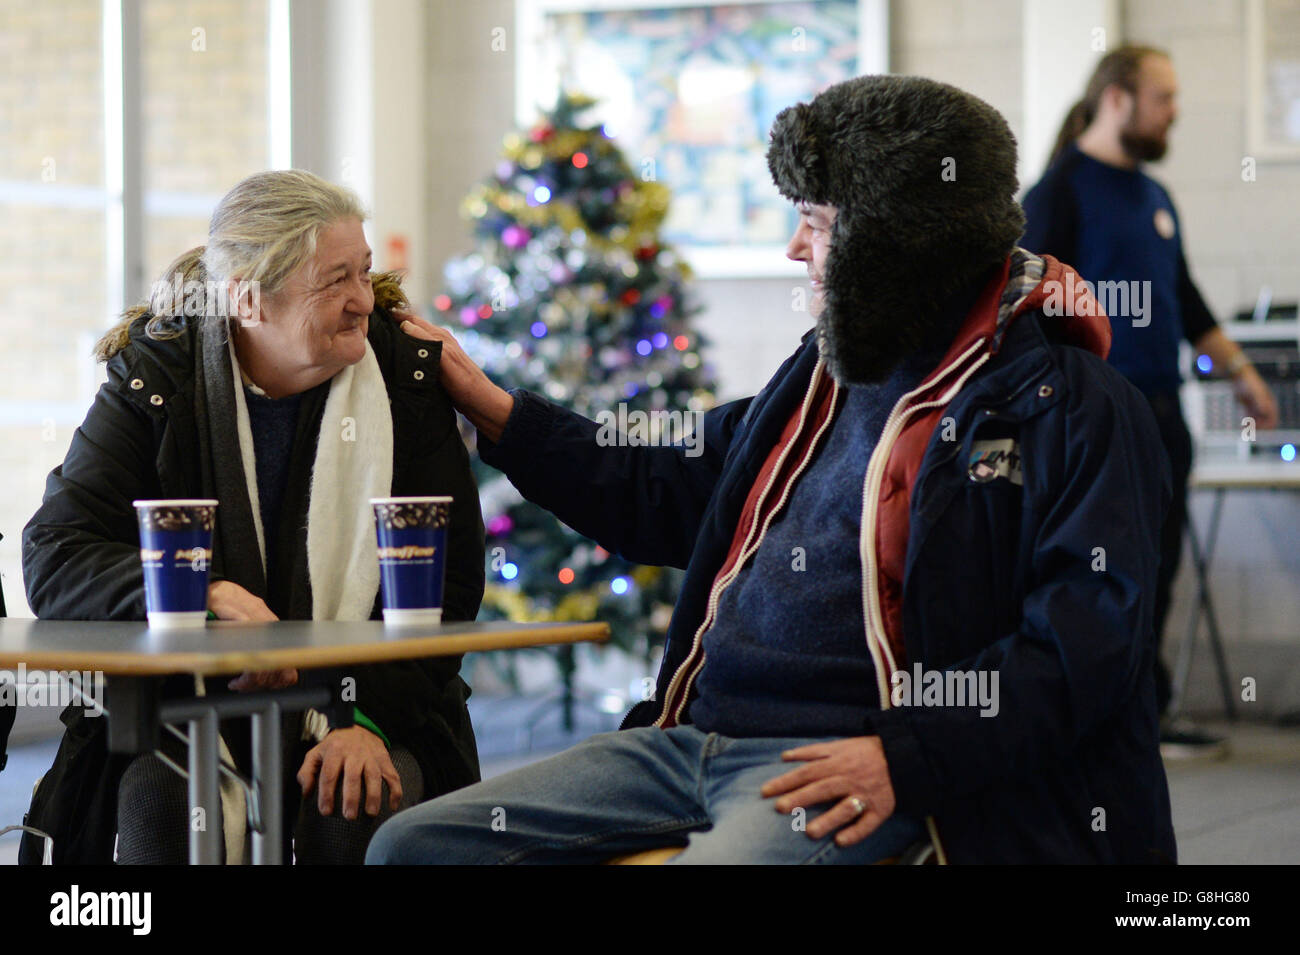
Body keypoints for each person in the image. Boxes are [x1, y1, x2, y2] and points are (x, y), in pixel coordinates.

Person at [367, 75, 1176, 865]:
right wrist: (498, 412)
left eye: (817, 223)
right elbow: (665, 483)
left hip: (848, 764)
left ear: (895, 241)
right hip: (688, 742)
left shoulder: (1068, 405)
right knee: (414, 843)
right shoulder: (819, 379)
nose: (795, 249)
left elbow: (1086, 644)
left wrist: (906, 756)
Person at [20, 169, 485, 864]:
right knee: (159, 807)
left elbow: (447, 586)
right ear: (246, 298)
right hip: (176, 710)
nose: (364, 299)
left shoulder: (402, 380)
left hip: (380, 704)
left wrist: (365, 718)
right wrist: (197, 595)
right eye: (335, 282)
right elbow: (56, 552)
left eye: (364, 272)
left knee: (349, 801)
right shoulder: (155, 377)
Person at [1021, 46, 1278, 758]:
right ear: (1117, 99)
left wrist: (1243, 377)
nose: (1175, 112)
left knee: (1157, 568)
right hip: (1094, 422)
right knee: (1106, 570)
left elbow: (1186, 298)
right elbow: (1026, 307)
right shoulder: (1059, 192)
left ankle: (1147, 711)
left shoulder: (1155, 197)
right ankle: (1096, 717)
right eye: (1163, 97)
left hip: (1163, 412)